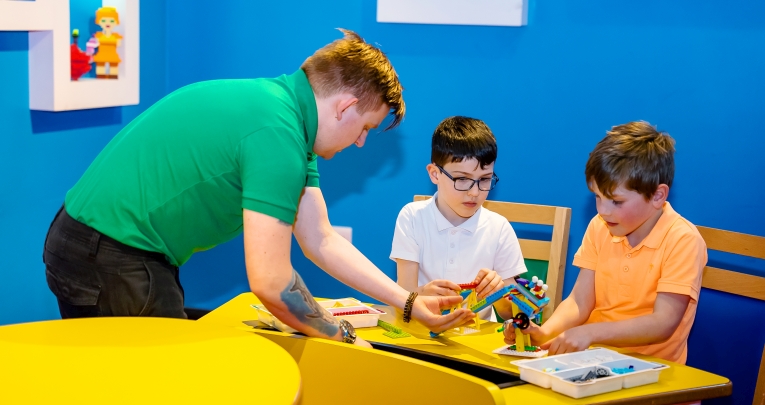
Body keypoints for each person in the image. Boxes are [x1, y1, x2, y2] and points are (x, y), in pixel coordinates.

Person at [43, 29, 474, 348]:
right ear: (345, 106)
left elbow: (319, 238)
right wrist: (342, 337)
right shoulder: (278, 135)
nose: (361, 141)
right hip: (108, 252)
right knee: (161, 382)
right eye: (364, 128)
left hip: (95, 240)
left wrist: (408, 302)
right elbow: (271, 282)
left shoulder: (285, 114)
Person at [504, 121, 706, 364]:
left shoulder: (683, 239)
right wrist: (544, 333)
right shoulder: (600, 226)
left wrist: (589, 333)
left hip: (653, 375)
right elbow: (580, 301)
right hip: (592, 362)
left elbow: (662, 323)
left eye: (616, 202)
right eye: (597, 197)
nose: (603, 210)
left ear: (657, 195)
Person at [391, 116, 527, 322]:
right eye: (462, 179)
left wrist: (499, 295)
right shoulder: (412, 217)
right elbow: (402, 298)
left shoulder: (499, 228)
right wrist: (423, 293)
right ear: (435, 174)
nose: (474, 192)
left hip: (477, 341)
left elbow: (514, 314)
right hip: (423, 335)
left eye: (485, 179)